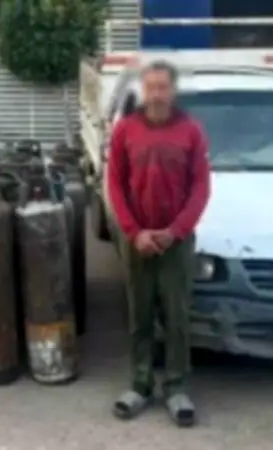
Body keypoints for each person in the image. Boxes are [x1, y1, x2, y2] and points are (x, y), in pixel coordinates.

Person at [107, 61, 211, 427]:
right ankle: (140, 385)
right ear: (142, 90)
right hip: (137, 240)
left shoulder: (191, 131)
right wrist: (134, 232)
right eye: (150, 87)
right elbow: (115, 184)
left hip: (175, 242)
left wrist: (176, 230)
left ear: (173, 91)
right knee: (140, 315)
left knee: (176, 315)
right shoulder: (125, 129)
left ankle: (177, 387)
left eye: (162, 87)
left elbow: (200, 188)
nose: (156, 95)